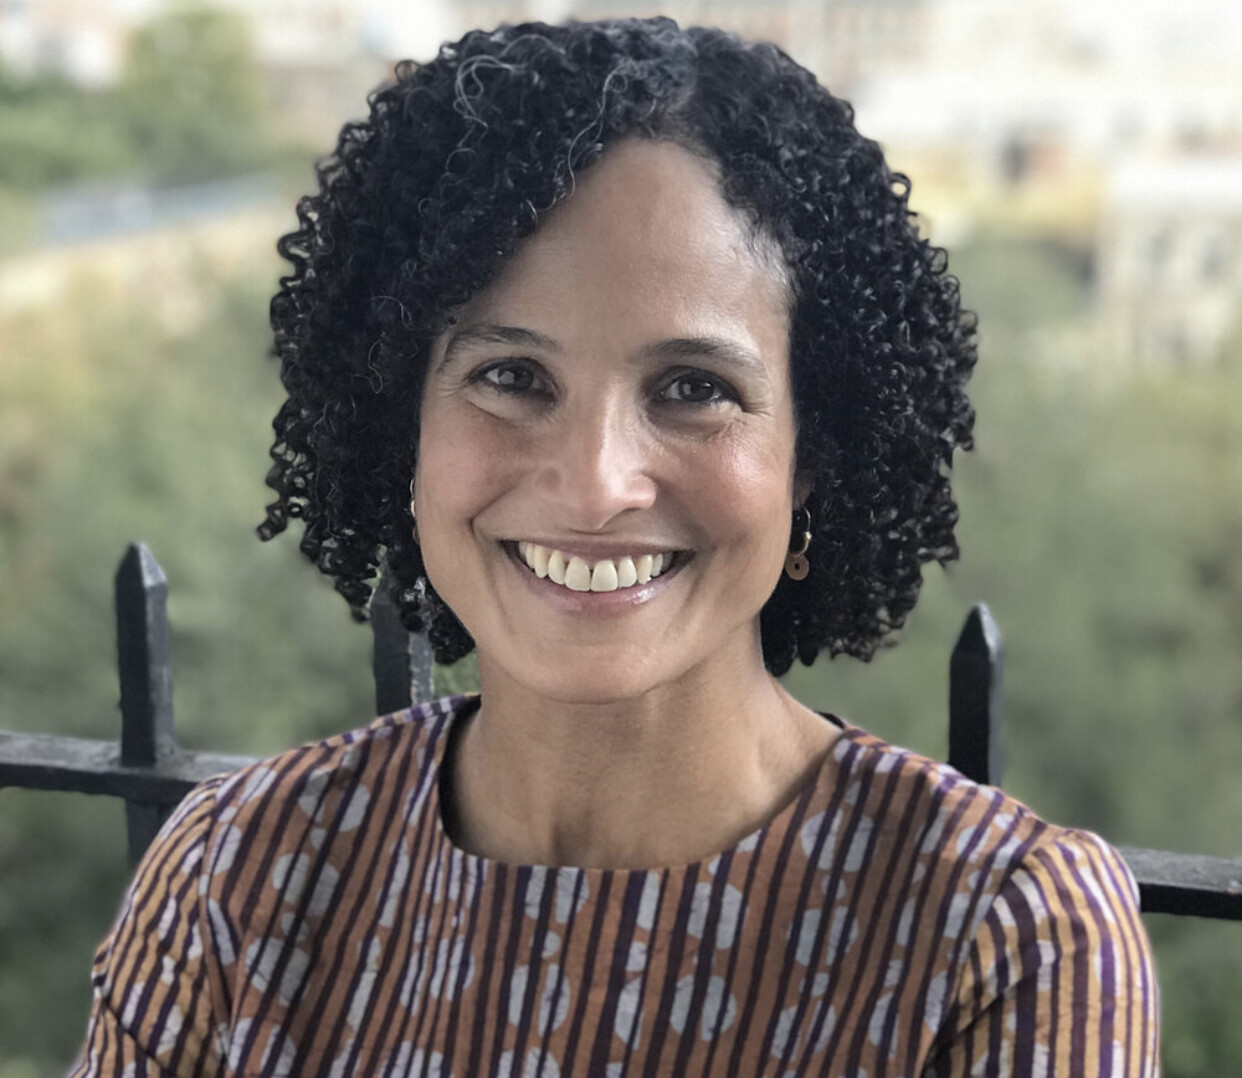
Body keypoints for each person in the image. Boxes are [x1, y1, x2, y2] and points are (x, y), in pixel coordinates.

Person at [74, 18, 1158, 1077]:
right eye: (511, 377)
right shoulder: (237, 877)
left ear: (812, 455)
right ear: (403, 421)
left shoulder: (1004, 937)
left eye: (693, 388)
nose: (596, 484)